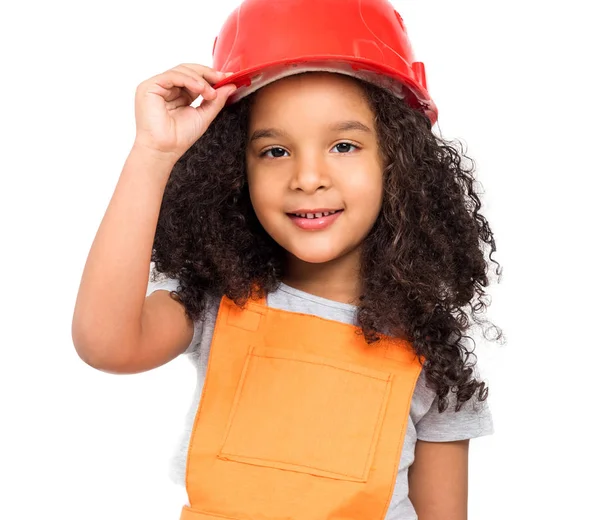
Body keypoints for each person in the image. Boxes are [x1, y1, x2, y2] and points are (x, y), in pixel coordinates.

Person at [72, 0, 502, 518]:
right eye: (275, 151)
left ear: (399, 161)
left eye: (344, 145)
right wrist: (153, 155)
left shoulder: (433, 348)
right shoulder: (219, 302)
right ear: (235, 169)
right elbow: (105, 344)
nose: (307, 177)